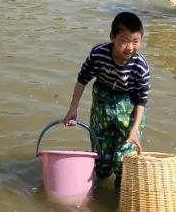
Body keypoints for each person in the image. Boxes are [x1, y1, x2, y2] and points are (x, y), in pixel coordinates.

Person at [63, 12, 149, 188]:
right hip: (103, 102)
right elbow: (82, 79)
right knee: (101, 160)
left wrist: (134, 130)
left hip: (129, 107)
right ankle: (98, 188)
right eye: (125, 41)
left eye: (136, 41)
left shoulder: (140, 66)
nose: (130, 47)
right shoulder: (98, 54)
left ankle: (121, 193)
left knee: (124, 158)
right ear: (112, 37)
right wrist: (73, 108)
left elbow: (142, 100)